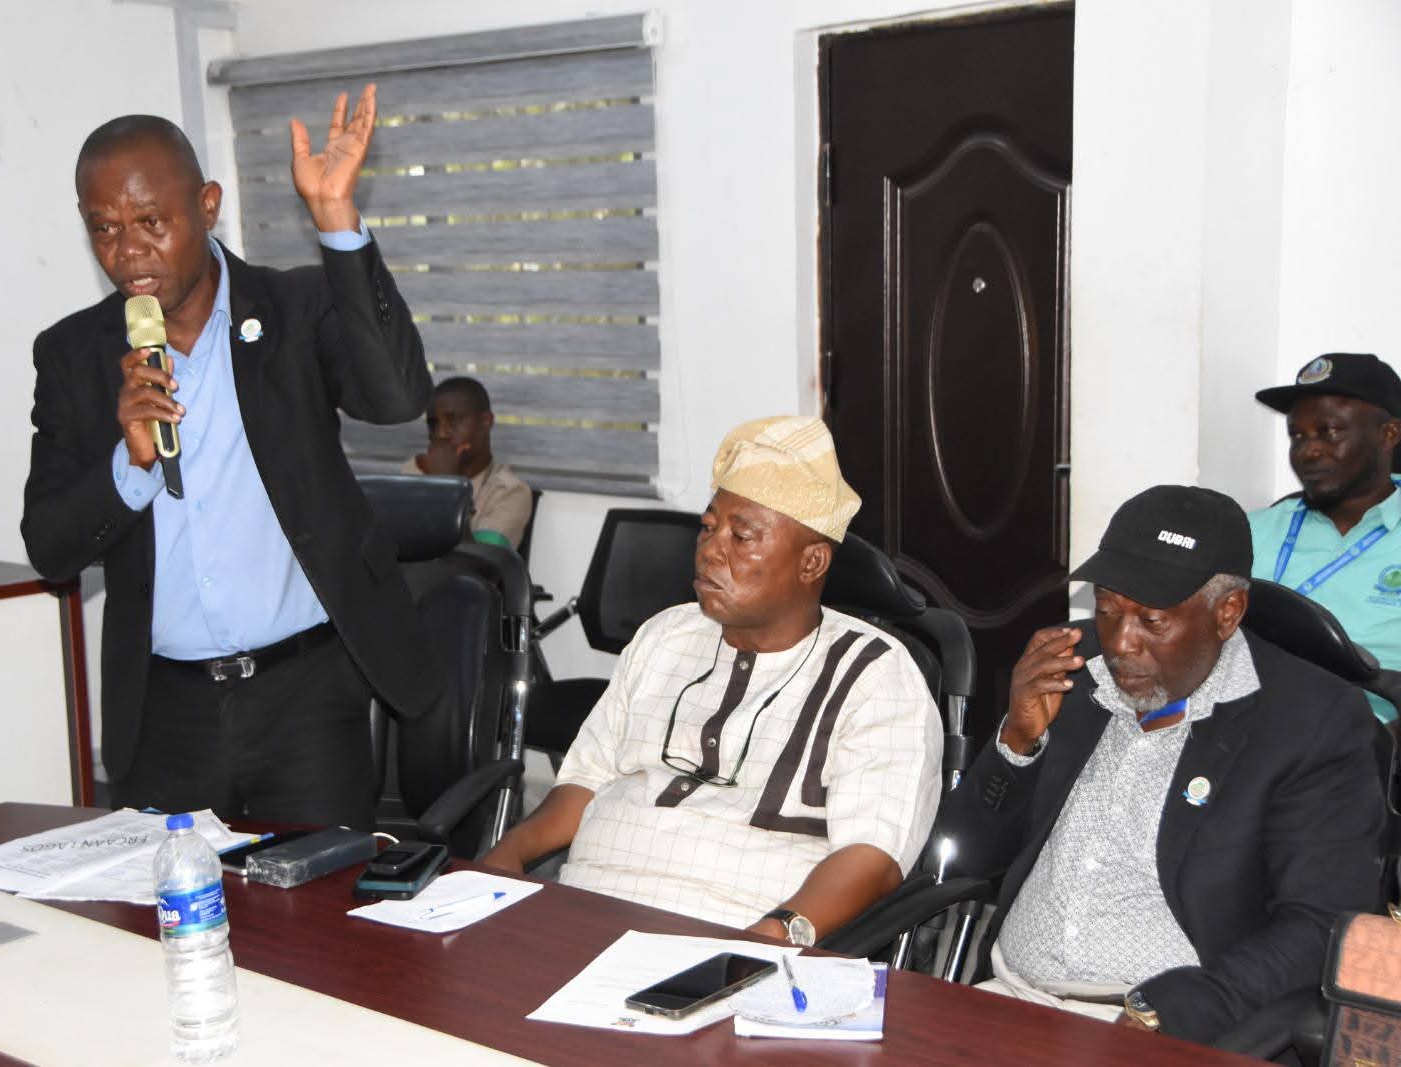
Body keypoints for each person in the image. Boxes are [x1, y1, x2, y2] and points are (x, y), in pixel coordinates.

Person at [21, 86, 437, 828]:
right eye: (105, 229)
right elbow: (51, 549)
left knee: (321, 898)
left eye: (152, 222)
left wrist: (336, 218)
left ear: (207, 205)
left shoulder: (293, 309)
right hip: (164, 711)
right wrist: (130, 465)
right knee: (170, 899)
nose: (129, 252)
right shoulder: (73, 356)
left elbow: (398, 396)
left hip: (306, 696)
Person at [940, 485, 1384, 1046]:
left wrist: (1182, 1009)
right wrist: (1017, 744)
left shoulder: (1310, 722)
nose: (1122, 644)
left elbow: (1321, 923)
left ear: (1227, 613)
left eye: (1151, 621)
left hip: (1165, 1032)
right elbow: (961, 858)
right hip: (1005, 999)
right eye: (1107, 610)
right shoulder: (1068, 669)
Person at [484, 415, 942, 944]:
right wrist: (507, 854)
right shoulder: (665, 635)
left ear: (812, 562)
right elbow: (586, 780)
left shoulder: (876, 675)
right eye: (708, 528)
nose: (710, 550)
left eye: (741, 536)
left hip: (733, 932)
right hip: (585, 910)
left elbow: (874, 856)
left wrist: (769, 937)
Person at [1249, 352, 1401, 723]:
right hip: (1244, 726)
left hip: (1367, 734)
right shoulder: (1250, 530)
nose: (1308, 450)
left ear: (1389, 435)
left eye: (1329, 431)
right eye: (1296, 435)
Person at [400, 376, 532, 550]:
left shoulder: (510, 491)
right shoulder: (413, 471)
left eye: (453, 421)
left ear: (486, 421)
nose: (440, 434)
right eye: (433, 424)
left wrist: (446, 485)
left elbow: (478, 560)